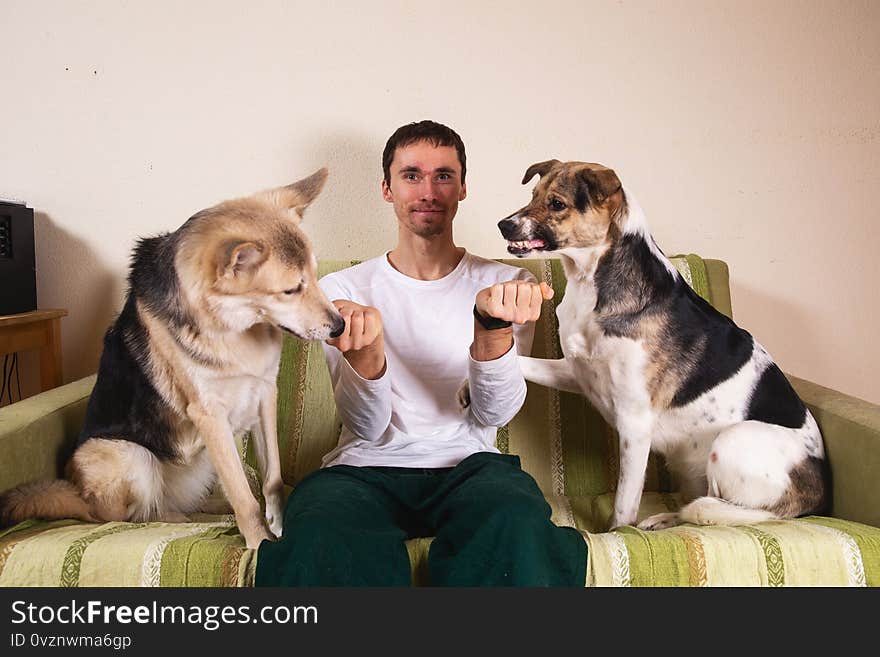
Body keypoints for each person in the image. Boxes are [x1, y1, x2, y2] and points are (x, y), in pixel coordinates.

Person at [255, 120, 587, 586]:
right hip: (361, 471)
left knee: (518, 526)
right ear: (387, 189)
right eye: (411, 175)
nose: (428, 190)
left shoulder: (510, 285)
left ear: (463, 188)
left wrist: (491, 330)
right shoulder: (342, 291)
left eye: (443, 176)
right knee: (319, 542)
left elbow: (493, 414)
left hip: (470, 467)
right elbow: (367, 428)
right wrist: (366, 354)